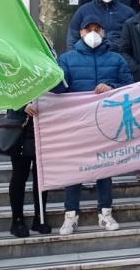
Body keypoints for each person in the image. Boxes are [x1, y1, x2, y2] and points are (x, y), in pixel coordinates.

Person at [26, 15, 134, 236]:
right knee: (74, 168)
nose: (92, 33)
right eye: (88, 29)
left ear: (103, 32)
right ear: (81, 33)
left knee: (105, 168)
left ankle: (105, 213)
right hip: (76, 123)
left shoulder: (116, 59)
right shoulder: (66, 59)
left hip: (106, 122)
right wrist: (48, 79)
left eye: (97, 28)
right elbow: (57, 89)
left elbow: (129, 86)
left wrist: (111, 86)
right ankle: (70, 215)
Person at [5, 107, 50, 237]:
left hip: (42, 126)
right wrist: (23, 106)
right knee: (19, 177)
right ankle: (17, 220)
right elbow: (8, 95)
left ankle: (40, 217)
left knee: (41, 177)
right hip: (20, 130)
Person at [67, 0, 135, 52]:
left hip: (119, 58)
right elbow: (72, 37)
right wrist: (74, 58)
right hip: (90, 57)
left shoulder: (128, 12)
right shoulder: (83, 10)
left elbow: (134, 41)